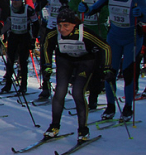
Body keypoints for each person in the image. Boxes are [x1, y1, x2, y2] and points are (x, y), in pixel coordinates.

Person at [83, 0, 146, 121]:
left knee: (128, 72)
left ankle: (128, 107)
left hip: (132, 38)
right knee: (110, 72)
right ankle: (110, 106)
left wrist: (141, 14)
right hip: (114, 37)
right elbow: (94, 8)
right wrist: (85, 8)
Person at [41, 8, 110, 142]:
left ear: (74, 24)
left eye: (66, 25)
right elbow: (46, 45)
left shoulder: (84, 33)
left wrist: (107, 69)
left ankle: (83, 130)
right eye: (59, 25)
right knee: (60, 91)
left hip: (85, 62)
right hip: (65, 61)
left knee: (77, 92)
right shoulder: (55, 34)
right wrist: (47, 66)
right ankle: (54, 126)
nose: (62, 29)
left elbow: (106, 47)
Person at [33, 0, 75, 100]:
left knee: (63, 59)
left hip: (65, 30)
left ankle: (63, 86)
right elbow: (39, 8)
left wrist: (66, 6)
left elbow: (75, 12)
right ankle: (46, 87)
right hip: (51, 27)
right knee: (46, 55)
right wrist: (39, 2)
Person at [69, 0, 108, 109]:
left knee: (97, 69)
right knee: (81, 67)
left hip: (99, 35)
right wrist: (77, 9)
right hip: (84, 36)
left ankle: (93, 99)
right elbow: (71, 5)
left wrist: (94, 10)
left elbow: (106, 12)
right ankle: (81, 96)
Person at [0, 0, 38, 94]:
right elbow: (6, 23)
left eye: (17, 0)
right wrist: (0, 32)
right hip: (13, 35)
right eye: (13, 0)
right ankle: (8, 85)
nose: (15, 2)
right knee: (10, 61)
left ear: (22, 1)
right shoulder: (9, 9)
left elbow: (36, 24)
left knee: (23, 62)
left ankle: (23, 86)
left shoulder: (28, 10)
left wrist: (33, 38)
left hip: (24, 36)